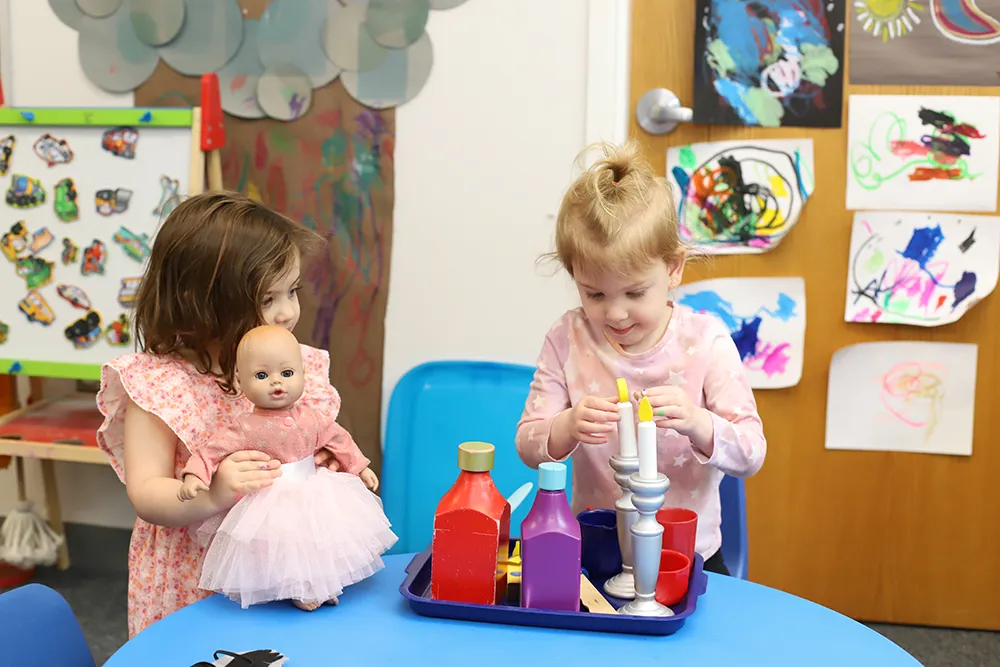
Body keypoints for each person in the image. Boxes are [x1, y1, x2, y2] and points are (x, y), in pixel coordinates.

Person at [97, 192, 351, 637]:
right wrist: (213, 496)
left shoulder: (290, 365)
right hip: (194, 582)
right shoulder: (158, 385)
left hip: (279, 564)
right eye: (268, 298)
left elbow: (309, 434)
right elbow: (146, 492)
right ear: (202, 299)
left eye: (292, 291)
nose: (289, 312)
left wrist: (321, 458)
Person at [515, 141, 766, 575]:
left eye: (634, 293)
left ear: (673, 268)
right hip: (598, 550)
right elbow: (528, 444)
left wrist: (696, 422)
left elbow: (750, 453)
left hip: (689, 557)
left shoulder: (705, 341)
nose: (614, 312)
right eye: (594, 293)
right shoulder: (567, 337)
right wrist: (566, 427)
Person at [178, 325, 397, 610]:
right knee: (285, 547)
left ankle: (323, 583)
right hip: (272, 497)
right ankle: (301, 590)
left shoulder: (312, 418)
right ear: (240, 382)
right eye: (261, 375)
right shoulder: (244, 427)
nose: (276, 382)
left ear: (303, 374)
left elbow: (339, 439)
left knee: (320, 538)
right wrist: (196, 474)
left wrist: (359, 467)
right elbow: (213, 450)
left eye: (287, 373)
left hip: (314, 488)